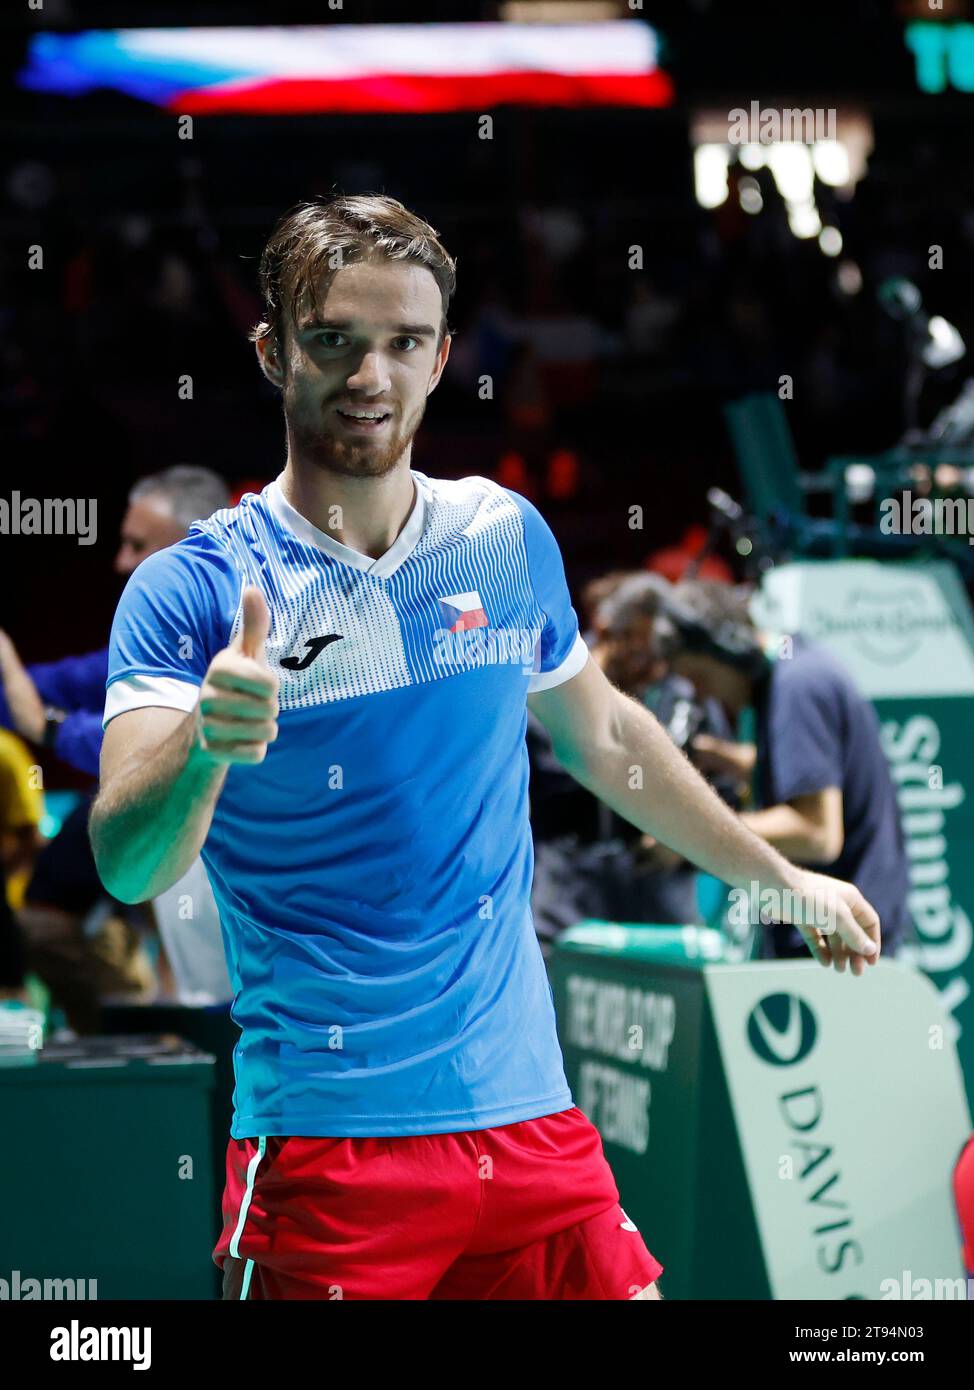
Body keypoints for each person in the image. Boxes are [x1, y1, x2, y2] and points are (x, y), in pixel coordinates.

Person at [90, 194, 881, 1303]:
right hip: (334, 1148)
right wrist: (204, 750)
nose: (370, 374)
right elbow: (127, 862)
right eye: (333, 341)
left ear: (441, 356)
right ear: (273, 352)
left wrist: (782, 879)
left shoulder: (502, 539)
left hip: (532, 1123)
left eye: (402, 343)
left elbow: (606, 738)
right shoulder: (195, 589)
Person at [0, 466, 231, 1029]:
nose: (122, 562)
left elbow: (160, 751)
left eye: (138, 545)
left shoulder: (244, 642)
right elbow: (28, 695)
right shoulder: (140, 653)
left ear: (191, 546)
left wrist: (49, 727)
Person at [658, 579, 911, 959]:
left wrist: (685, 836)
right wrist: (727, 759)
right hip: (845, 933)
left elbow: (816, 832)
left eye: (700, 678)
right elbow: (809, 772)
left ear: (730, 648)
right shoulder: (799, 665)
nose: (703, 696)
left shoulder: (796, 688)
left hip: (841, 944)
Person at [528, 572, 739, 946]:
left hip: (662, 911)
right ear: (609, 633)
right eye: (641, 654)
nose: (655, 670)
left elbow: (724, 794)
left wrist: (681, 845)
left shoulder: (686, 697)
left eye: (664, 655)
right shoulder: (549, 692)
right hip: (563, 904)